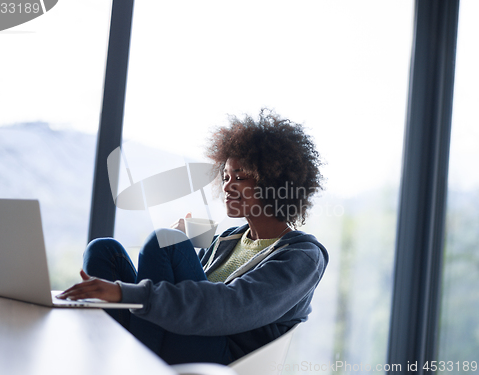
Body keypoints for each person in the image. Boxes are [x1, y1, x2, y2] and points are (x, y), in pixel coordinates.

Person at [57, 109, 329, 365]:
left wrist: (124, 290)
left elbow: (230, 307)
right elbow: (181, 287)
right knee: (103, 250)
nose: (227, 185)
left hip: (221, 357)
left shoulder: (302, 257)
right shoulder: (228, 239)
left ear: (275, 182)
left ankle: (136, 365)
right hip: (185, 337)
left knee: (164, 241)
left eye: (240, 176)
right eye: (225, 176)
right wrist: (179, 242)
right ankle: (115, 358)